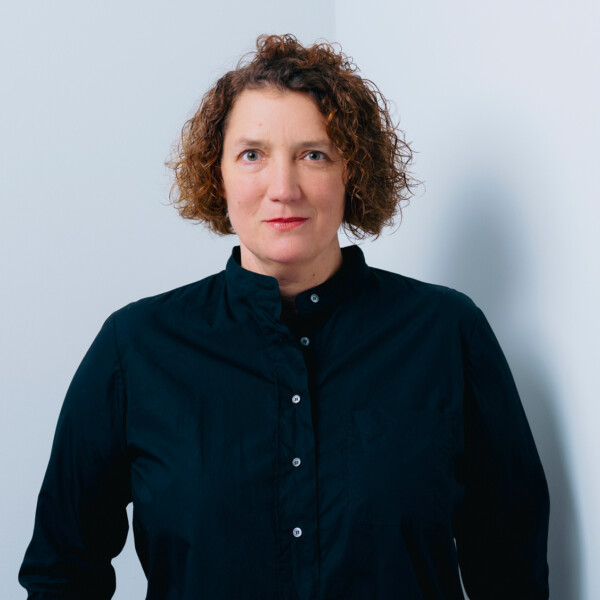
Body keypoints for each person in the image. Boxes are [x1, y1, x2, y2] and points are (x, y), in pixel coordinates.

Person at [19, 34, 550, 599]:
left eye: (313, 154)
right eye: (252, 154)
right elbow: (62, 571)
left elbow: (511, 568)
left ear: (352, 172)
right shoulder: (134, 348)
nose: (283, 188)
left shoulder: (447, 333)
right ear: (218, 175)